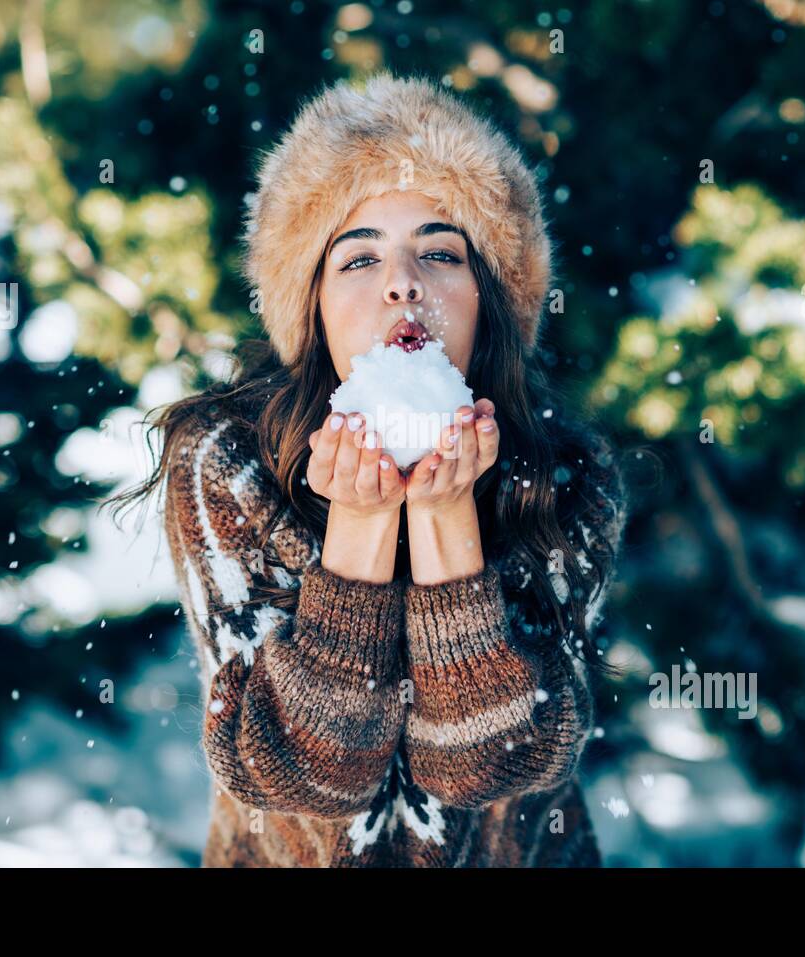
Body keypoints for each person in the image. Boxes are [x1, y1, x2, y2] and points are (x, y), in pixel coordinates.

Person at [111, 71, 627, 866]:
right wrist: (359, 527)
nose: (402, 283)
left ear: (490, 300)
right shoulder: (226, 462)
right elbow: (298, 780)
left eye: (440, 252)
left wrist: (447, 520)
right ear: (311, 304)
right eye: (358, 259)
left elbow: (490, 768)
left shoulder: (569, 481)